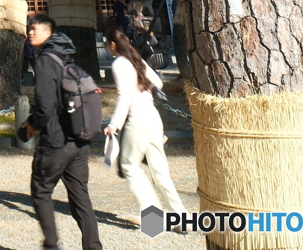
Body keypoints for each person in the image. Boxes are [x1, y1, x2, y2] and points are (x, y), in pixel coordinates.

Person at [21, 13, 102, 250]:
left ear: (49, 33)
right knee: (80, 197)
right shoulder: (66, 58)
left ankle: (52, 245)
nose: (30, 32)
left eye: (35, 29)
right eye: (29, 29)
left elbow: (45, 107)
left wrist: (31, 126)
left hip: (56, 142)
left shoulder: (46, 60)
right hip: (79, 141)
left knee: (41, 190)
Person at [103, 21, 185, 218]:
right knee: (160, 173)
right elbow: (158, 83)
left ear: (113, 44)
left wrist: (113, 124)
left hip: (137, 119)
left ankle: (153, 216)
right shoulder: (136, 59)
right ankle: (180, 217)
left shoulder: (119, 63)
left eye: (107, 44)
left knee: (130, 166)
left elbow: (125, 96)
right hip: (153, 117)